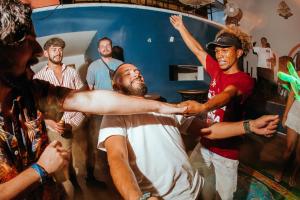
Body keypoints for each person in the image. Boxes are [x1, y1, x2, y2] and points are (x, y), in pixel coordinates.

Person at [0, 1, 185, 199]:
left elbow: (91, 100)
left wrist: (165, 107)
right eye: (28, 41)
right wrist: (41, 168)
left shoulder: (30, 90)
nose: (38, 50)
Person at [98, 63, 279, 200]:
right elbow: (117, 159)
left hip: (195, 189)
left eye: (137, 71)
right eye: (127, 73)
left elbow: (208, 130)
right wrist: (137, 198)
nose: (136, 73)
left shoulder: (164, 107)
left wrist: (250, 125)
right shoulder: (114, 115)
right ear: (116, 86)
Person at [170, 15, 254, 199]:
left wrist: (203, 108)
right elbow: (198, 50)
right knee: (193, 184)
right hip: (206, 142)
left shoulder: (244, 80)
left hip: (226, 152)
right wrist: (181, 28)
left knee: (225, 196)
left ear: (239, 53)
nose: (220, 55)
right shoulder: (216, 70)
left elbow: (227, 94)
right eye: (217, 51)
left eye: (225, 50)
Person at [33, 37, 85, 198]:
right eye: (54, 49)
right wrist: (48, 121)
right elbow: (36, 108)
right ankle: (71, 185)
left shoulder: (71, 72)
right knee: (63, 160)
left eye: (60, 49)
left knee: (81, 155)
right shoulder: (38, 78)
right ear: (46, 53)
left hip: (77, 123)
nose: (58, 52)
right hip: (56, 128)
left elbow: (81, 98)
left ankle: (79, 181)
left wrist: (74, 122)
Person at [85, 37, 123, 186]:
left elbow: (124, 88)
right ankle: (90, 176)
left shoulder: (120, 65)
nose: (106, 48)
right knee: (94, 144)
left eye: (108, 46)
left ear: (111, 48)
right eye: (102, 46)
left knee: (117, 142)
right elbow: (89, 88)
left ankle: (116, 174)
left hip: (117, 111)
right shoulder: (93, 67)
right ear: (98, 50)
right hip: (99, 113)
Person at [274, 69, 300, 187]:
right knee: (289, 148)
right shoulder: (299, 74)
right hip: (296, 113)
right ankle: (280, 170)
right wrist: (285, 115)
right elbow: (291, 95)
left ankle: (294, 174)